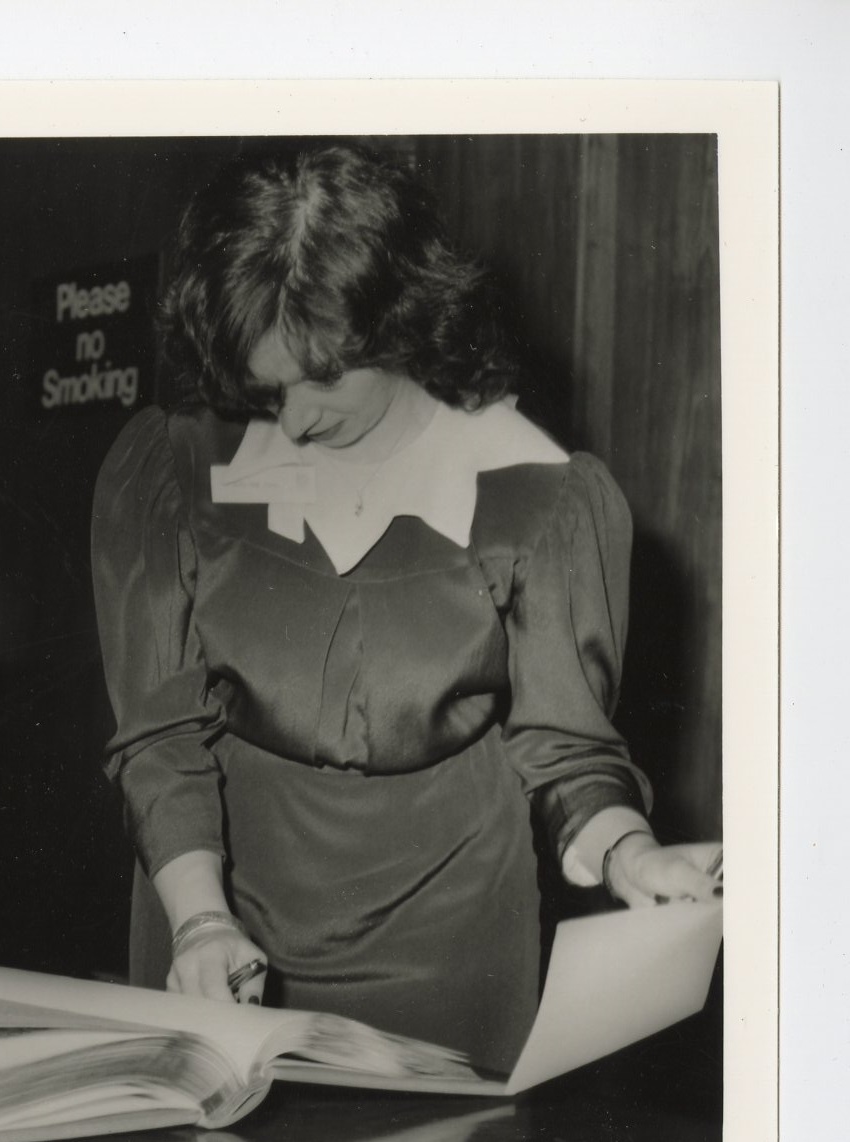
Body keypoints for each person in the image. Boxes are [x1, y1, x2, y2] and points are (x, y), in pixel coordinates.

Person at [90, 144, 720, 1074]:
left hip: (451, 940)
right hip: (210, 910)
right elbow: (158, 735)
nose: (294, 421)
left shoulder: (540, 496)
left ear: (405, 323)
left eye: (325, 377)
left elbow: (567, 748)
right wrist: (200, 922)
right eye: (265, 385)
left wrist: (631, 854)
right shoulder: (175, 467)